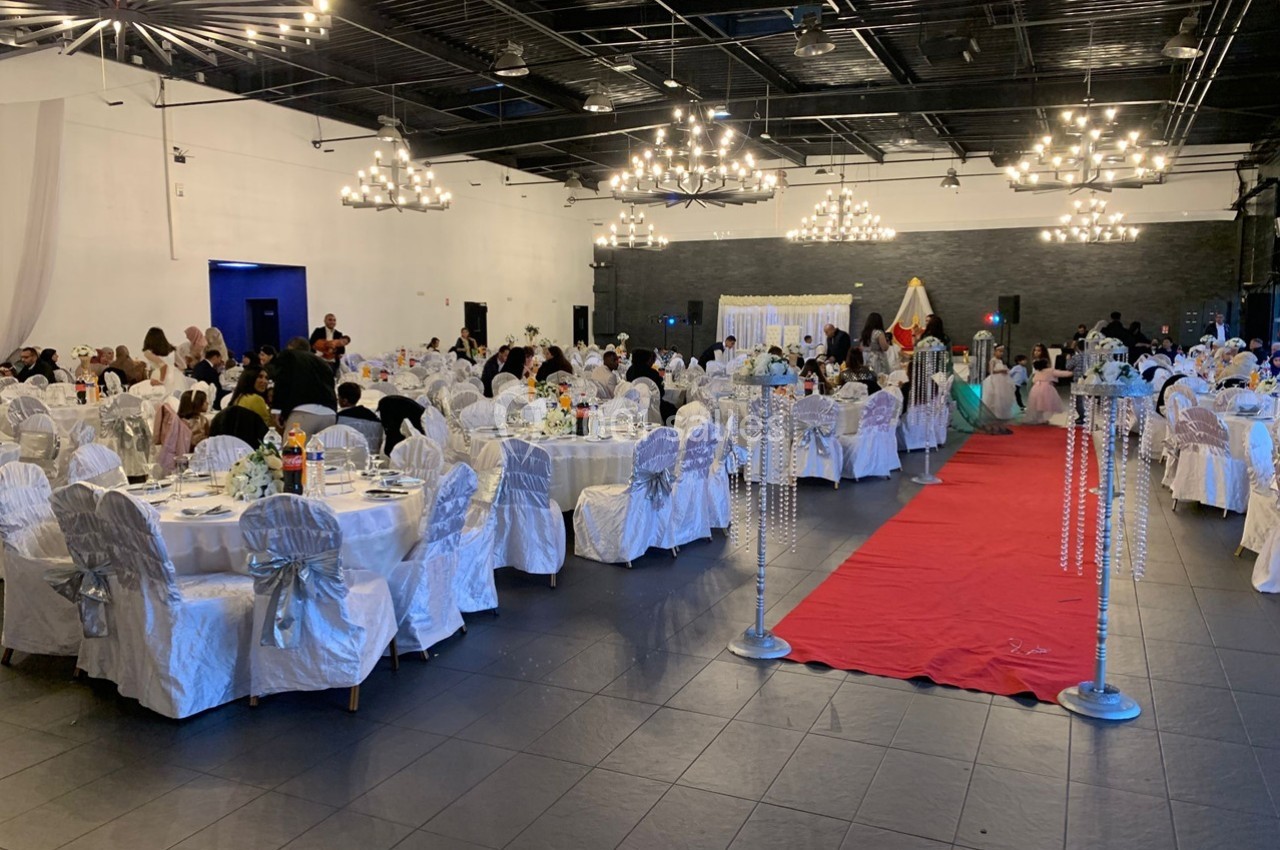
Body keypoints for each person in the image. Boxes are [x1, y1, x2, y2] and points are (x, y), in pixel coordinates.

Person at [267, 337, 338, 422]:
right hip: (329, 413)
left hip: (303, 411)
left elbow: (283, 381)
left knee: (293, 435)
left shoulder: (289, 355)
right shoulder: (323, 363)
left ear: (290, 347)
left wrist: (277, 409)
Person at [626, 349, 677, 422]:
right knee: (672, 409)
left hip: (634, 404)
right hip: (652, 404)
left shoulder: (629, 371)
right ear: (646, 360)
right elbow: (660, 393)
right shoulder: (653, 373)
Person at [1024, 359, 1075, 425]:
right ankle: (1042, 419)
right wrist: (1072, 373)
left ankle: (1039, 418)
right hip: (1046, 388)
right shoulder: (1050, 371)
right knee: (1045, 404)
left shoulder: (1038, 372)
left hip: (1035, 388)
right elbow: (1062, 374)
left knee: (1037, 404)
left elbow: (1033, 380)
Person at [981, 345, 1016, 420]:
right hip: (995, 380)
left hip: (1002, 380)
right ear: (994, 351)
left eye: (1002, 352)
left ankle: (1001, 413)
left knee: (1002, 397)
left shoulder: (1000, 361)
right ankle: (993, 413)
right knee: (995, 396)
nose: (1001, 353)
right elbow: (990, 371)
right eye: (999, 351)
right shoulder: (993, 360)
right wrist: (1001, 371)